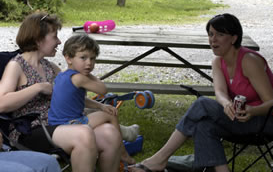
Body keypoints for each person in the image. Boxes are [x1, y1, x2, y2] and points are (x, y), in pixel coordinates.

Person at [128, 13, 273, 172]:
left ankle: (160, 159)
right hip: (237, 119)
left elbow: (270, 101)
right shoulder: (218, 61)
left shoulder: (249, 60)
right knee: (204, 125)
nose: (213, 39)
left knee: (202, 103)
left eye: (220, 34)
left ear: (233, 38)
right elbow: (220, 92)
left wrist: (252, 111)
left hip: (264, 122)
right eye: (211, 34)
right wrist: (226, 104)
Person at [0, 12, 122, 172]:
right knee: (83, 134)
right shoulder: (16, 66)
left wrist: (99, 106)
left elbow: (68, 94)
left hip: (60, 123)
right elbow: (2, 104)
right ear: (38, 39)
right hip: (31, 130)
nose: (59, 41)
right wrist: (38, 87)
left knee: (109, 133)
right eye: (54, 36)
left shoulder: (50, 67)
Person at [48, 34, 135, 165]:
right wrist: (89, 74)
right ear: (68, 58)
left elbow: (79, 99)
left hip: (56, 125)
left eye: (92, 59)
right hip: (72, 124)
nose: (89, 63)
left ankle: (111, 146)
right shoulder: (79, 78)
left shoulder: (62, 76)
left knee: (103, 111)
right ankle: (123, 152)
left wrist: (100, 106)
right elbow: (103, 90)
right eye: (83, 58)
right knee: (110, 115)